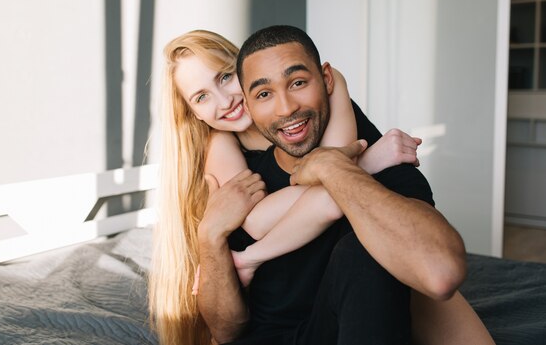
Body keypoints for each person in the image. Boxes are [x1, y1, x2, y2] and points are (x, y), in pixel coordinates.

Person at [150, 29, 494, 345]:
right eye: (202, 97)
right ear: (193, 113)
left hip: (351, 298)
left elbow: (335, 170)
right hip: (282, 327)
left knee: (375, 247)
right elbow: (263, 218)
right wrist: (369, 160)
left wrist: (341, 167)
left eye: (225, 77)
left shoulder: (327, 101)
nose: (225, 101)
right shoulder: (221, 149)